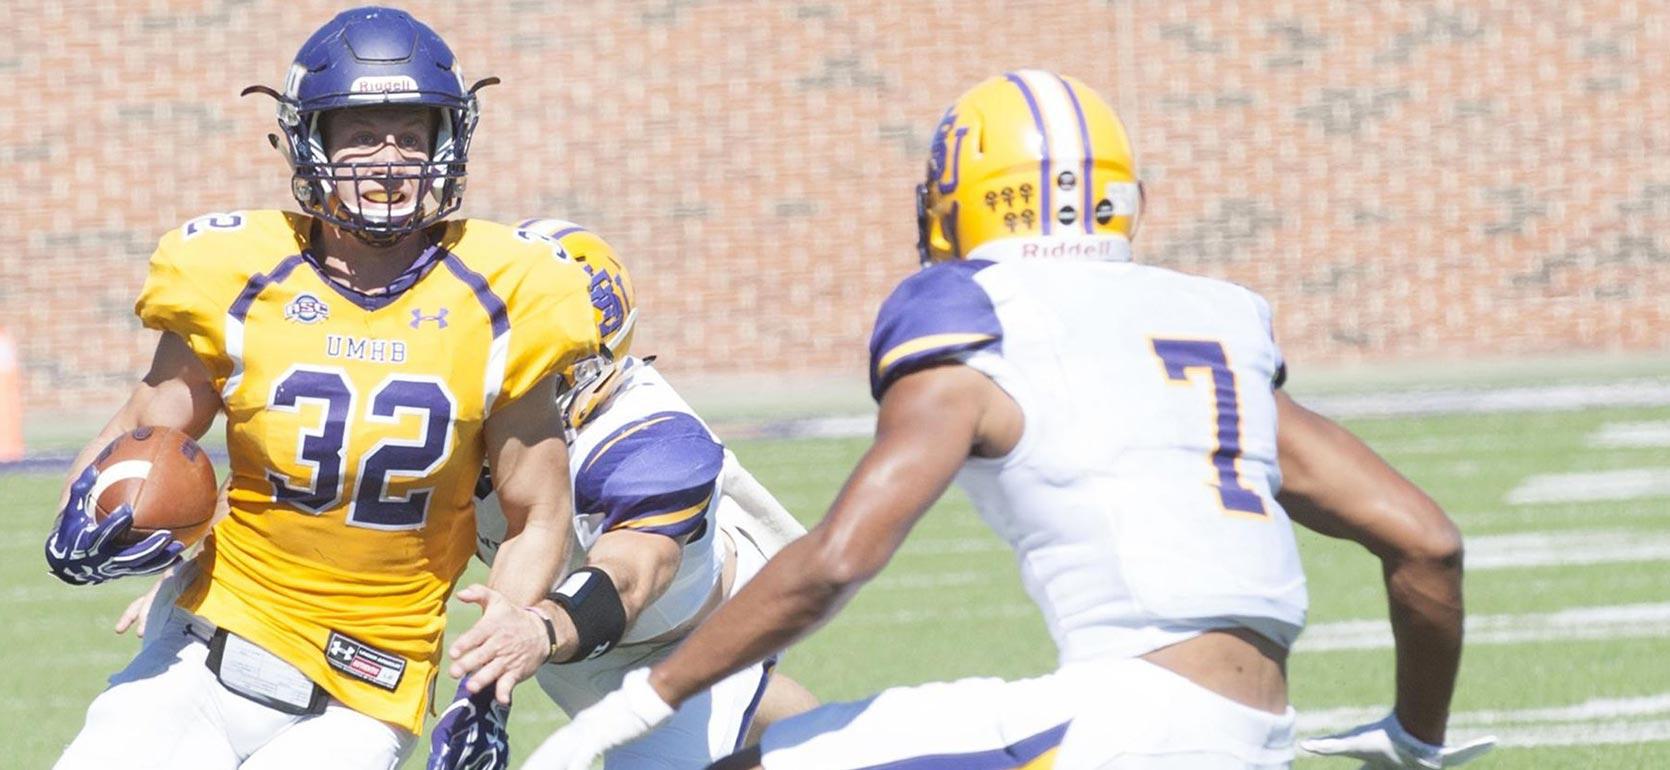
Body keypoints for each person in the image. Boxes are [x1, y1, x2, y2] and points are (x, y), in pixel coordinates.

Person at [517, 71, 1499, 770]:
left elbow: (837, 560)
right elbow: (1427, 543)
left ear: (964, 201)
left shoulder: (975, 314)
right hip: (1255, 739)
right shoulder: (1211, 321)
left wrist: (647, 696)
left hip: (1118, 726)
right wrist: (1414, 737)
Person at [45, 7, 598, 769]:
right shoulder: (236, 269)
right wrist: (85, 507)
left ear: (450, 142)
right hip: (204, 652)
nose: (390, 159)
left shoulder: (510, 292)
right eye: (362, 133)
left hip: (368, 692)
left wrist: (499, 646)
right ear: (310, 142)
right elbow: (149, 426)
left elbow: (539, 511)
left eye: (412, 134)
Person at [426, 220, 818, 770]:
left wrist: (533, 634)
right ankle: (841, 747)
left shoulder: (651, 440)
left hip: (686, 638)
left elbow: (632, 576)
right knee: (773, 726)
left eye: (537, 356)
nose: (510, 374)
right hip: (572, 641)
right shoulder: (453, 412)